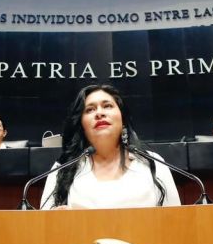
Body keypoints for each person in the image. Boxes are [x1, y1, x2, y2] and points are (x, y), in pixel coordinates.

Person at [40, 84, 181, 209]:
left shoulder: (153, 163)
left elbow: (176, 221)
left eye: (107, 106)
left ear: (122, 119)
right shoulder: (63, 168)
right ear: (81, 125)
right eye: (90, 109)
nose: (99, 113)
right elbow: (45, 225)